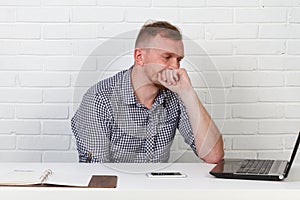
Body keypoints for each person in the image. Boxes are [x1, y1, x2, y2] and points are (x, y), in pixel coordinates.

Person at [71, 21, 224, 163]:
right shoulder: (100, 99)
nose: (175, 67)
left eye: (179, 59)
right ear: (139, 57)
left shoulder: (176, 94)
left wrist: (188, 93)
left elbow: (213, 156)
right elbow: (97, 175)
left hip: (158, 190)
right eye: (167, 57)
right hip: (117, 190)